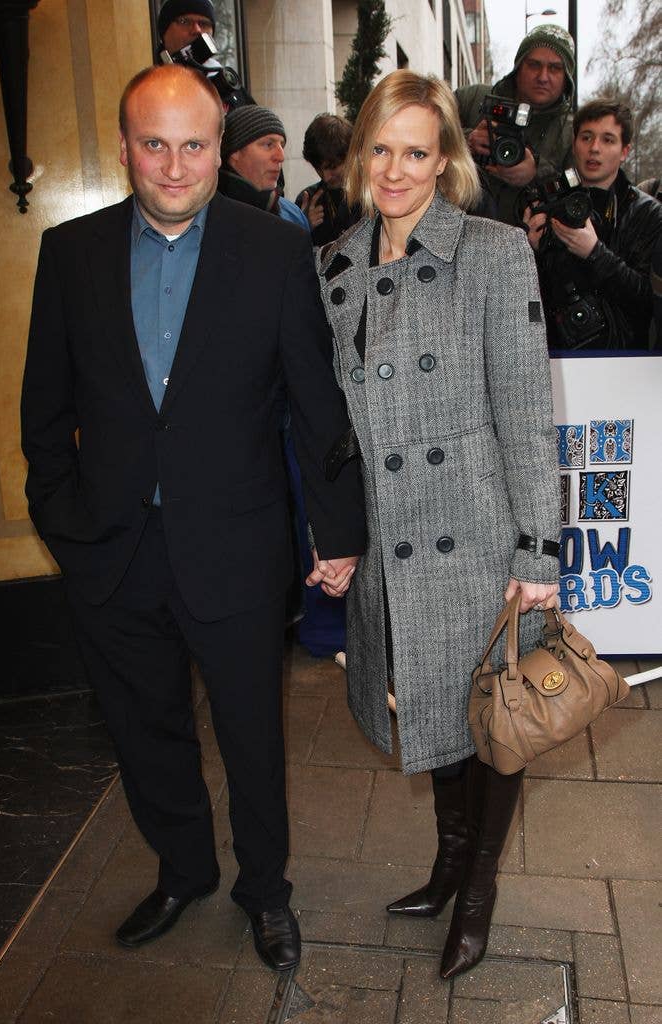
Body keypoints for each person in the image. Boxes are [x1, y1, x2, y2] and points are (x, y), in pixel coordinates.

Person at [20, 65, 365, 971]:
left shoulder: (277, 252)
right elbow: (44, 414)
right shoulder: (70, 254)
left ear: (221, 147)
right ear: (127, 143)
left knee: (253, 733)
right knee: (146, 729)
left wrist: (339, 532)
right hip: (113, 550)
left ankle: (266, 890)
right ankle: (183, 871)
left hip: (237, 546)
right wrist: (63, 521)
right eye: (154, 144)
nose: (175, 167)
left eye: (195, 145)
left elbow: (315, 405)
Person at [313, 69, 560, 979]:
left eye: (417, 151)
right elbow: (326, 425)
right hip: (388, 541)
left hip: (477, 535)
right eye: (380, 148)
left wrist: (539, 546)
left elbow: (526, 409)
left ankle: (481, 887)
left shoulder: (493, 253)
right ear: (358, 156)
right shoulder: (333, 264)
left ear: (446, 158)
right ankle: (448, 861)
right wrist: (330, 538)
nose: (396, 169)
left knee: (490, 719)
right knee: (427, 711)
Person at [524, 99, 662, 350]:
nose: (594, 148)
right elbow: (527, 303)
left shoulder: (648, 213)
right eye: (586, 137)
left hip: (625, 359)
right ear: (574, 143)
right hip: (556, 355)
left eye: (608, 140)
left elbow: (649, 300)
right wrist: (529, 249)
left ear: (624, 151)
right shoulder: (546, 199)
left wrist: (594, 253)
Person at [456, 24, 575, 226]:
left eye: (555, 68)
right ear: (518, 67)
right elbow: (422, 133)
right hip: (457, 237)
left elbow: (577, 188)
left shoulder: (573, 133)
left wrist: (535, 171)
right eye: (534, 65)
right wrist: (465, 140)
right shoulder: (472, 99)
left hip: (527, 249)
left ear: (567, 79)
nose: (543, 77)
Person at [218, 104, 309, 230]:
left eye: (282, 145)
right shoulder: (206, 215)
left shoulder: (294, 216)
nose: (281, 156)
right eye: (268, 144)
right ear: (235, 153)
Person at [295, 113, 361, 246]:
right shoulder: (307, 200)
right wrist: (302, 228)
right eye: (318, 169)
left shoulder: (374, 193)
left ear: (350, 156)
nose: (325, 177)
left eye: (332, 167)